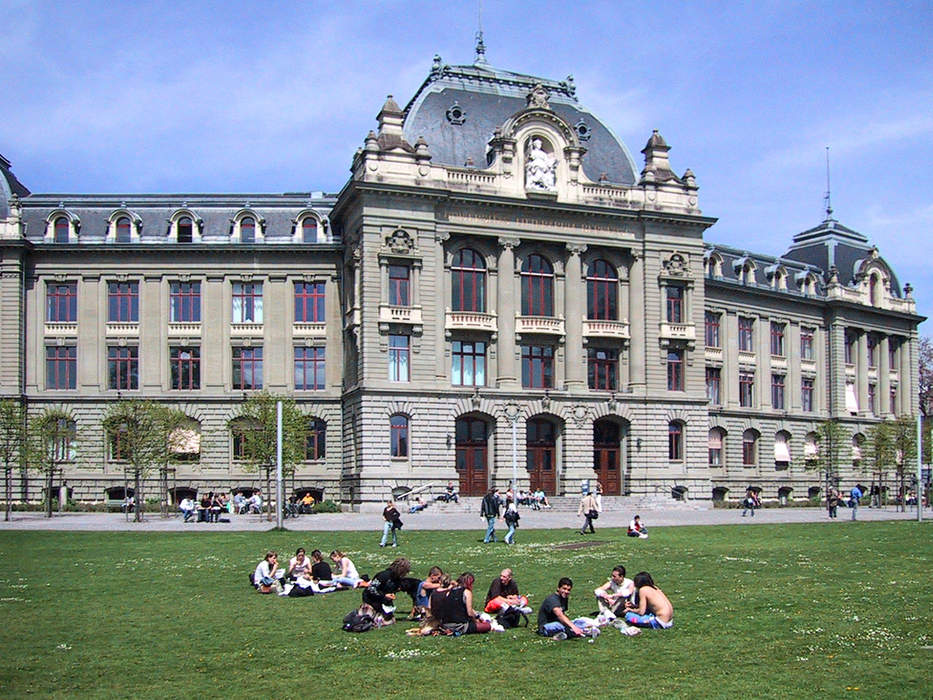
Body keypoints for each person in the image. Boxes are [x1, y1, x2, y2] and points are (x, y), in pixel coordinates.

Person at [362, 557, 412, 624]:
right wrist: (384, 596)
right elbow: (371, 589)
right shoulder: (383, 575)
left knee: (390, 621)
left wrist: (392, 594)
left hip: (385, 603)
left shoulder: (397, 579)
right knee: (374, 620)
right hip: (372, 600)